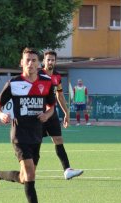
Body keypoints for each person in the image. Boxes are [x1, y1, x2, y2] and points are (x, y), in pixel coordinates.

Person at [0, 48, 56, 203]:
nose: (30, 63)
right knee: (31, 174)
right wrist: (1, 115)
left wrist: (47, 116)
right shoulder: (14, 83)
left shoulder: (47, 82)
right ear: (21, 63)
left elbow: (51, 106)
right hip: (19, 135)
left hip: (36, 134)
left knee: (25, 178)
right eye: (27, 60)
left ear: (39, 64)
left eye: (33, 60)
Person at [38, 50, 83, 180]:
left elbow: (60, 95)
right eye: (48, 59)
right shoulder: (38, 74)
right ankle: (28, 169)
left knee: (58, 139)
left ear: (55, 61)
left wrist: (66, 113)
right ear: (44, 61)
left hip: (51, 113)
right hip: (38, 114)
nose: (50, 62)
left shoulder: (57, 77)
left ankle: (67, 170)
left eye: (53, 59)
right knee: (35, 142)